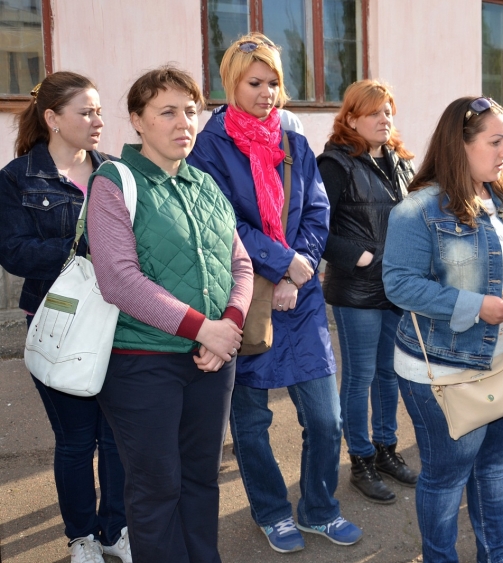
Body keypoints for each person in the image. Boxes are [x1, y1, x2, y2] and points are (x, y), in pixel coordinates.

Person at [187, 33, 362, 554]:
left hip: (300, 295)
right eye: (254, 82)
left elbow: (317, 208)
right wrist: (281, 262)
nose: (267, 93)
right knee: (253, 421)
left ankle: (319, 508)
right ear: (231, 83)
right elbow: (223, 222)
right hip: (242, 296)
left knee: (326, 420)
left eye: (274, 83)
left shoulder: (292, 136)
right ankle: (270, 510)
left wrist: (299, 268)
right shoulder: (209, 145)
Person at [86, 66, 253, 561]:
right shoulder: (113, 180)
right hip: (141, 363)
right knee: (157, 490)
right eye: (167, 112)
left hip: (212, 360)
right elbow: (118, 279)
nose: (184, 122)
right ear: (137, 120)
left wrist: (229, 327)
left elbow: (239, 262)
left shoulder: (204, 184)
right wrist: (205, 328)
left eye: (191, 111)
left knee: (202, 482)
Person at [383, 96, 503, 563]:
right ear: (460, 145)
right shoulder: (418, 210)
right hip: (444, 369)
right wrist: (475, 306)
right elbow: (398, 285)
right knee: (446, 477)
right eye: (497, 141)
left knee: (495, 470)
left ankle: (494, 557)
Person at [0, 72, 130, 563]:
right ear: (53, 119)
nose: (98, 121)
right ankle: (83, 538)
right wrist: (83, 252)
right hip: (56, 323)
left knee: (115, 436)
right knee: (76, 440)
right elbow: (13, 252)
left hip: (117, 322)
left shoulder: (115, 172)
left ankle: (115, 530)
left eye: (99, 111)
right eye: (86, 112)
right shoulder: (17, 178)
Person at [317, 80, 418, 505]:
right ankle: (359, 458)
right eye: (374, 112)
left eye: (388, 112)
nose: (384, 119)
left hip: (396, 286)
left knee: (389, 372)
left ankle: (385, 449)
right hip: (357, 288)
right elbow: (315, 227)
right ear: (352, 118)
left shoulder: (400, 162)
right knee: (359, 376)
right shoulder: (335, 163)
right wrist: (359, 256)